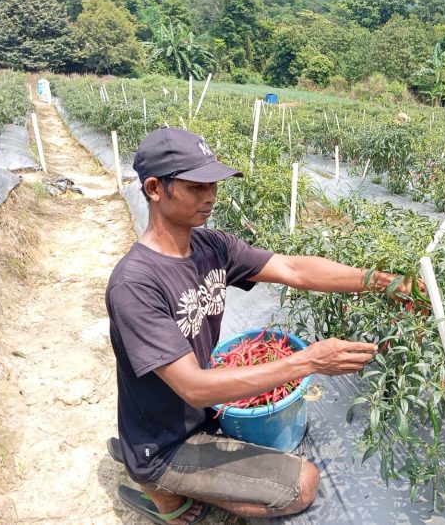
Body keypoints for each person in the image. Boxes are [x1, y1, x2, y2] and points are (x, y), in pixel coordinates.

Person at [106, 127, 416, 524]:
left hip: (204, 415)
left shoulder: (211, 246)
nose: (210, 196)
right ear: (154, 188)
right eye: (196, 186)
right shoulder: (135, 284)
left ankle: (166, 468)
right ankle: (160, 487)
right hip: (165, 440)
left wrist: (381, 281)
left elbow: (292, 269)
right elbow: (194, 387)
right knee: (303, 484)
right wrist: (308, 362)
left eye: (213, 184)